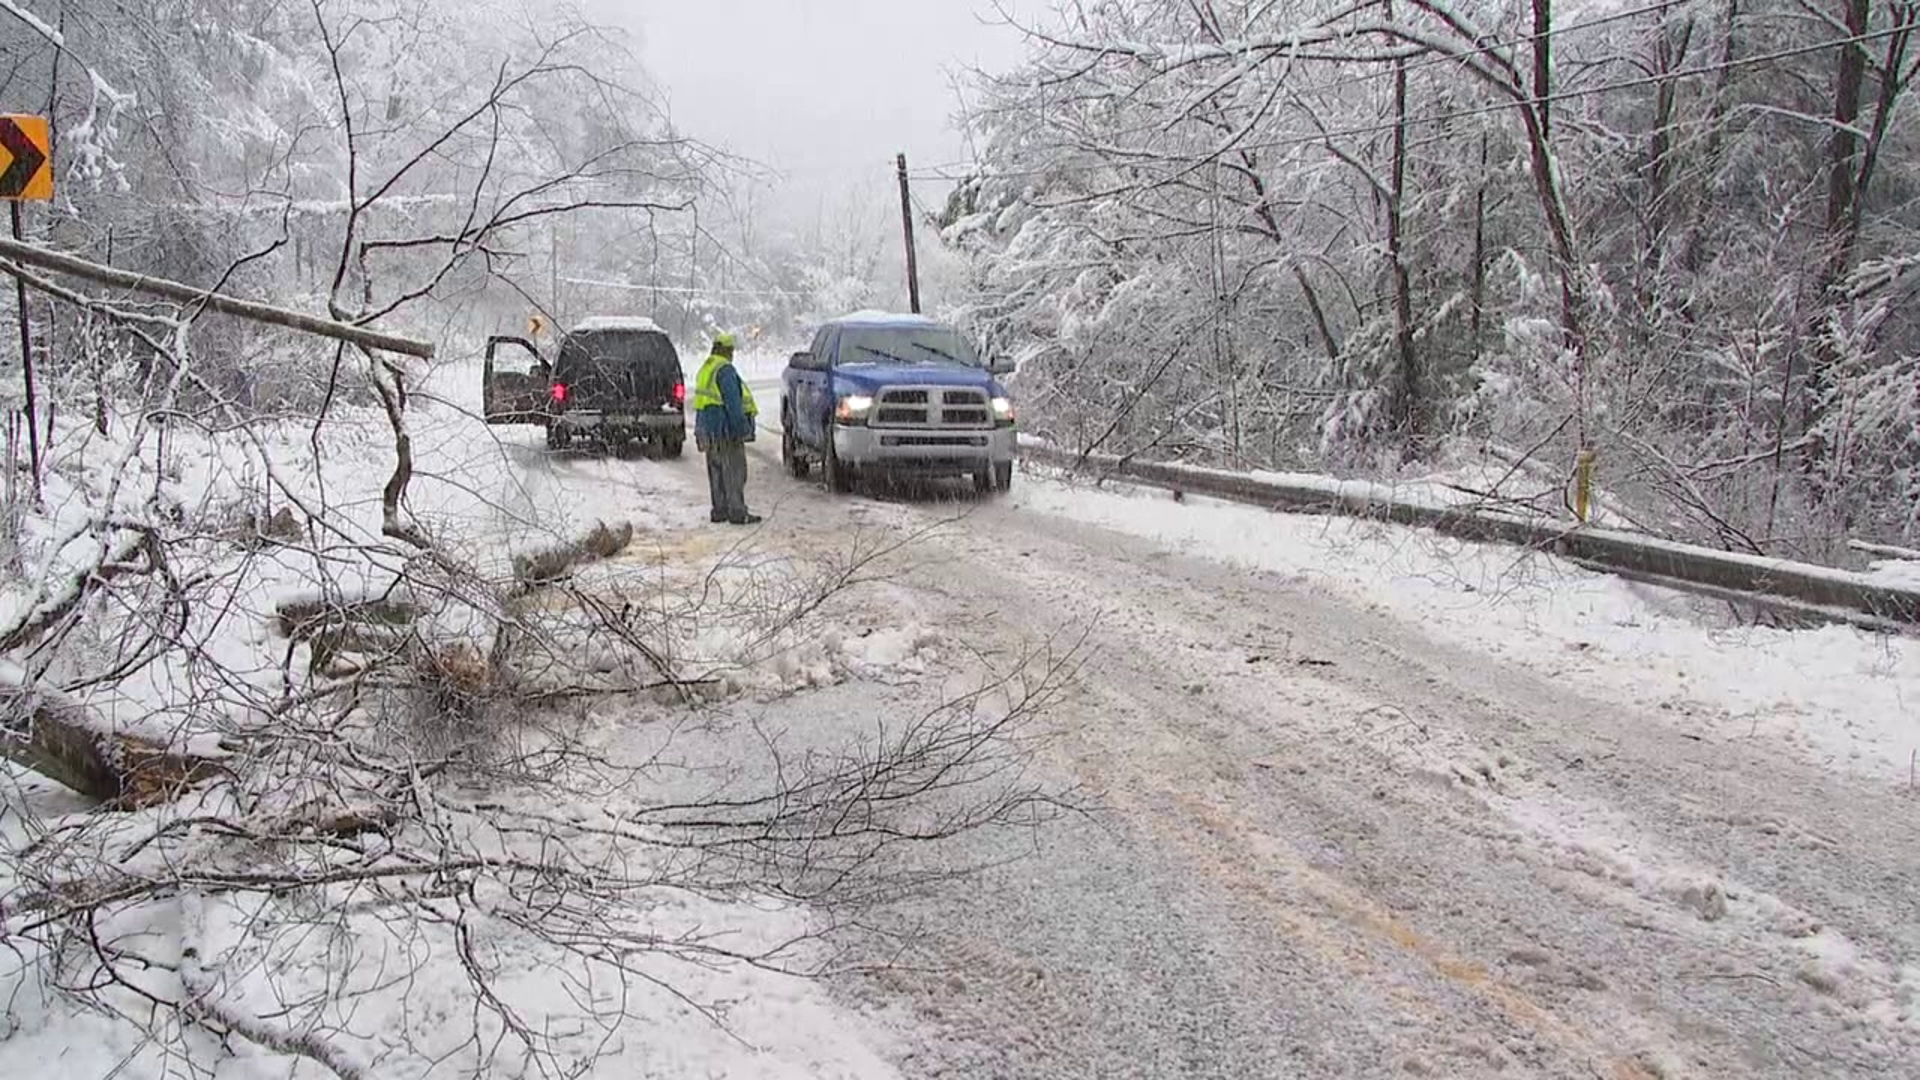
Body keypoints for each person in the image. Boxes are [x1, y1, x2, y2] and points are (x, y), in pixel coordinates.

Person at [691, 330, 761, 525]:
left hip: (707, 429)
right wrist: (741, 429)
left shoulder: (706, 367)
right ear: (728, 351)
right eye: (732, 351)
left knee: (716, 472)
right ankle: (737, 512)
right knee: (734, 472)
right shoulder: (725, 370)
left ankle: (719, 510)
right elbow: (733, 404)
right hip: (725, 430)